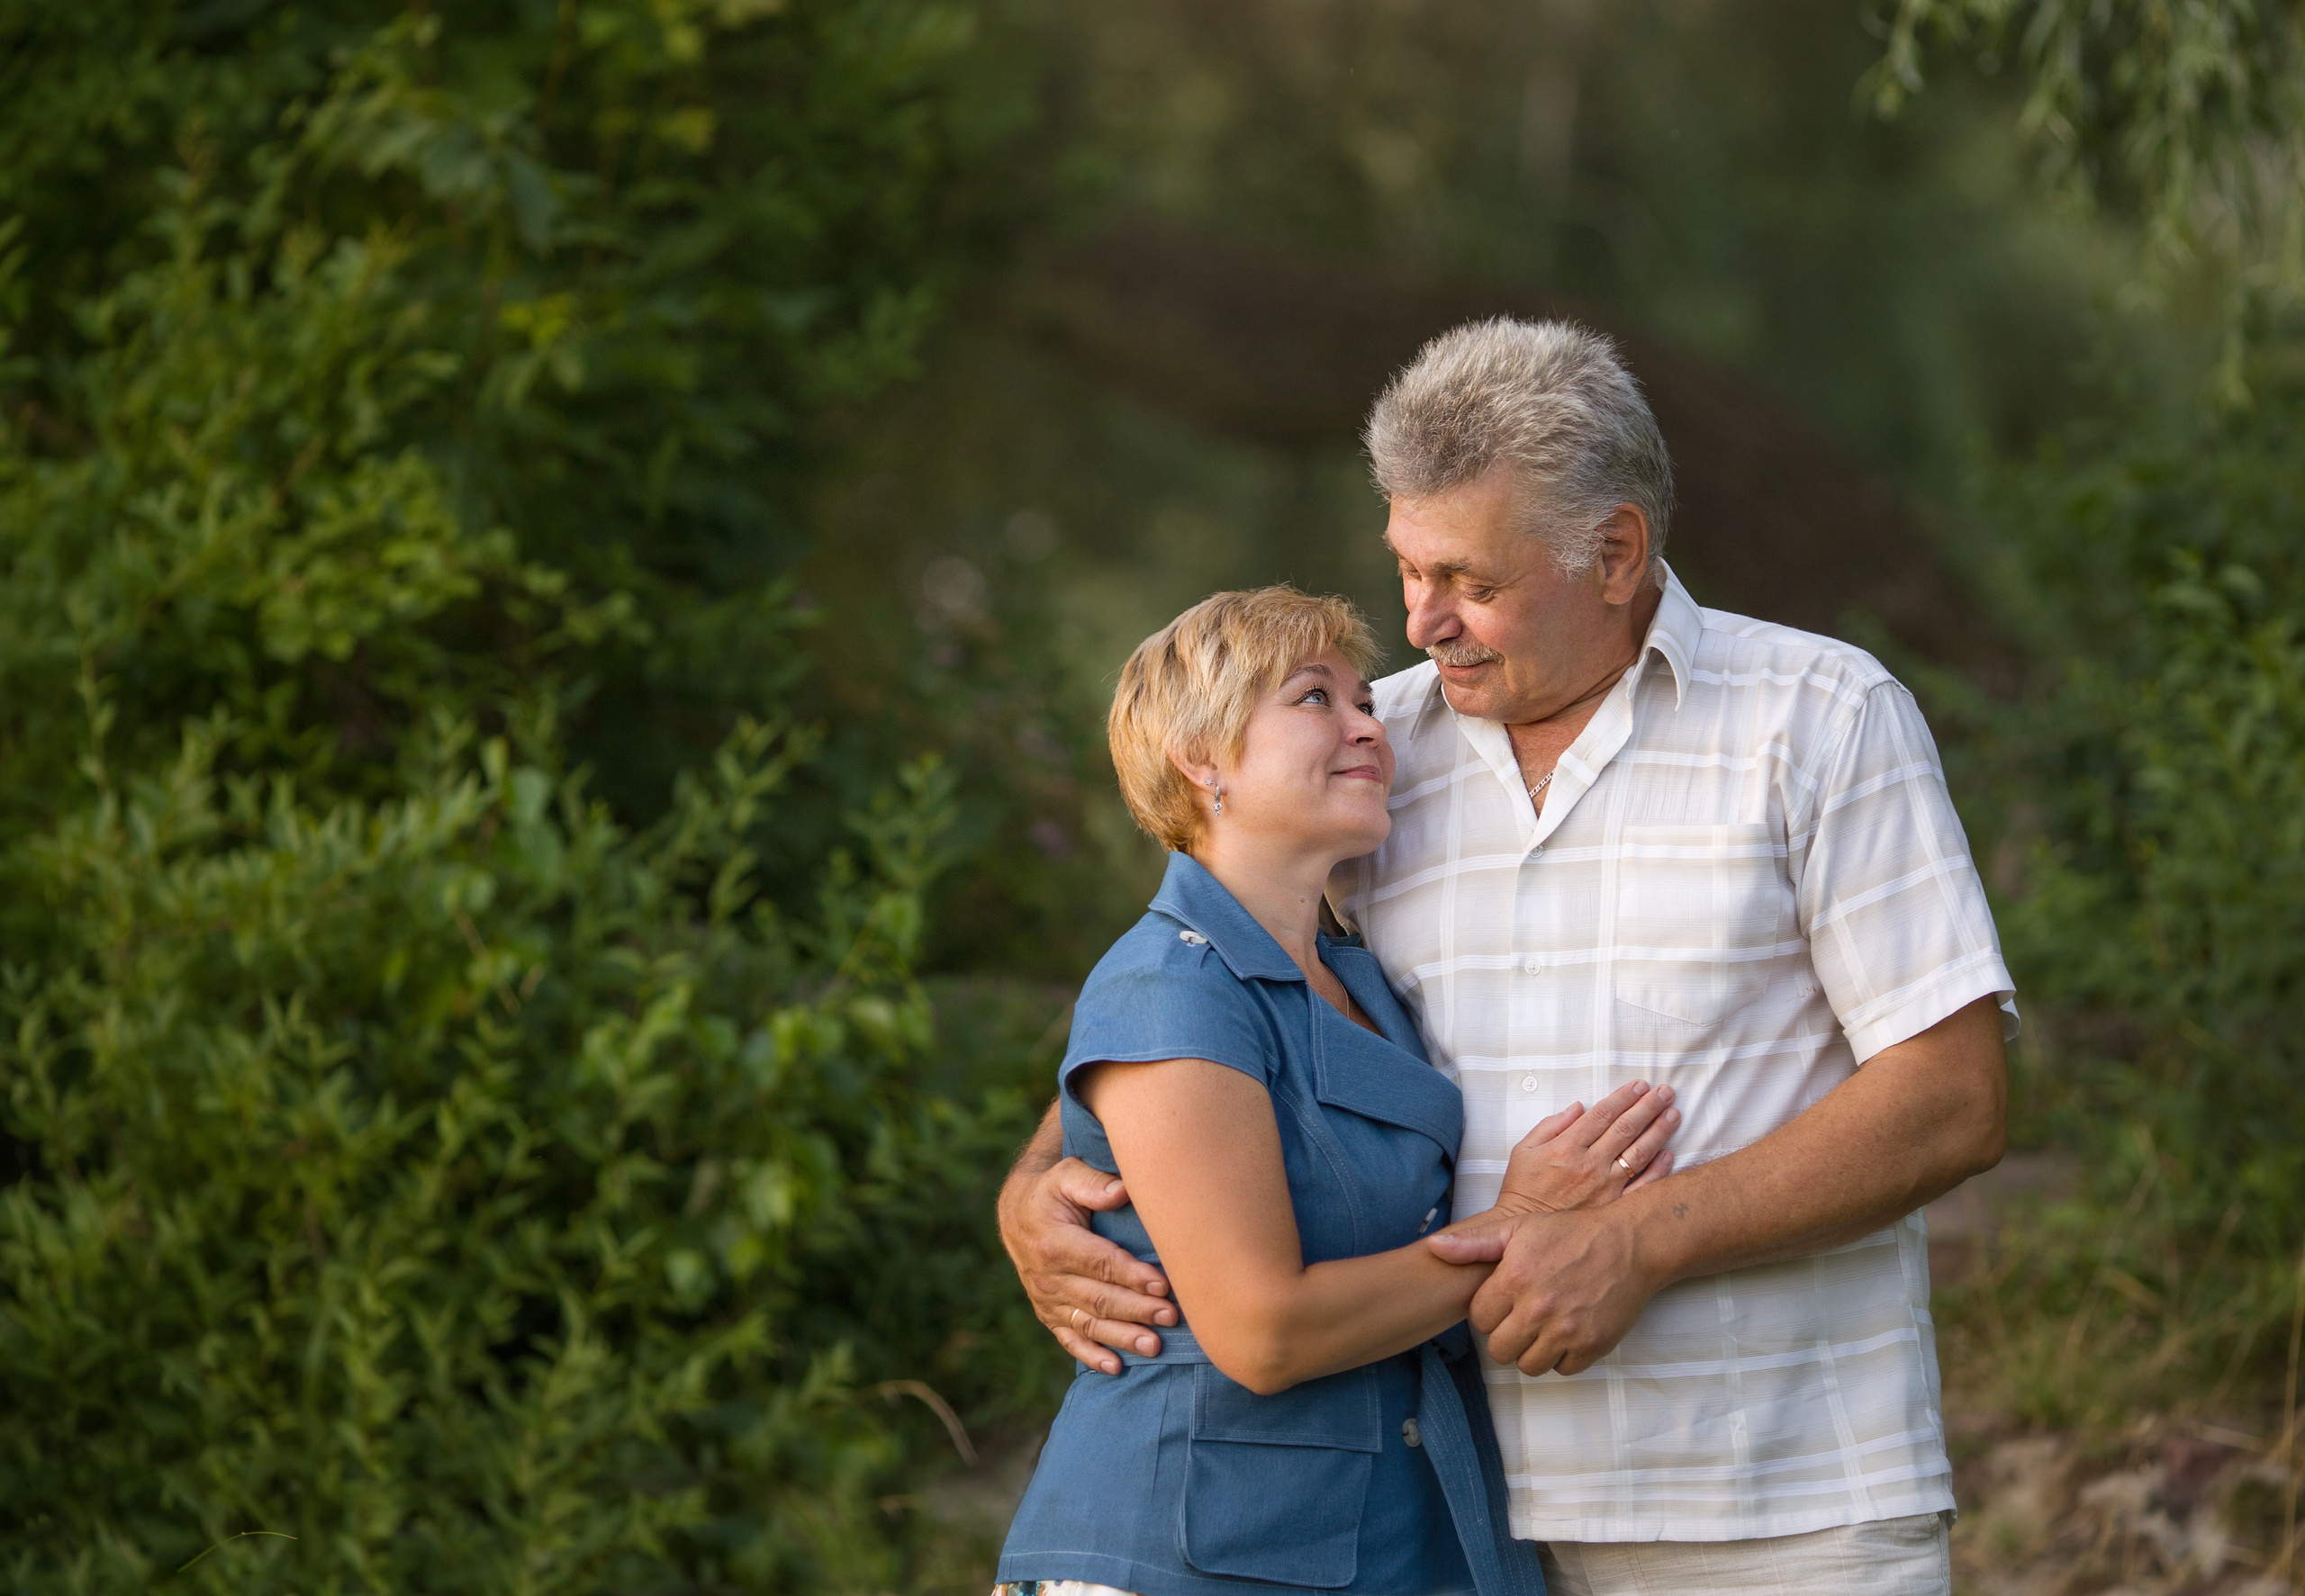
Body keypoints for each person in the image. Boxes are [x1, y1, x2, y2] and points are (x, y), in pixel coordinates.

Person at [999, 319, 2014, 1596]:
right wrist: (1040, 1185)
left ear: (1616, 552)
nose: (1423, 624)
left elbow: (1956, 1098)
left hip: (1788, 1505)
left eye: (1470, 580)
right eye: (1408, 570)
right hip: (1465, 1525)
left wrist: (1641, 1239)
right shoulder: (1376, 758)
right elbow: (1201, 1007)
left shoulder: (1819, 718)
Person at [994, 585, 1683, 1596]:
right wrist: (1522, 1224)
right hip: (1187, 1550)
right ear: (1203, 756)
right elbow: (1262, 1332)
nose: (1368, 725)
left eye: (1365, 701)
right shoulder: (1165, 985)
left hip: (1379, 1541)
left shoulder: (1359, 977)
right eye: (1315, 699)